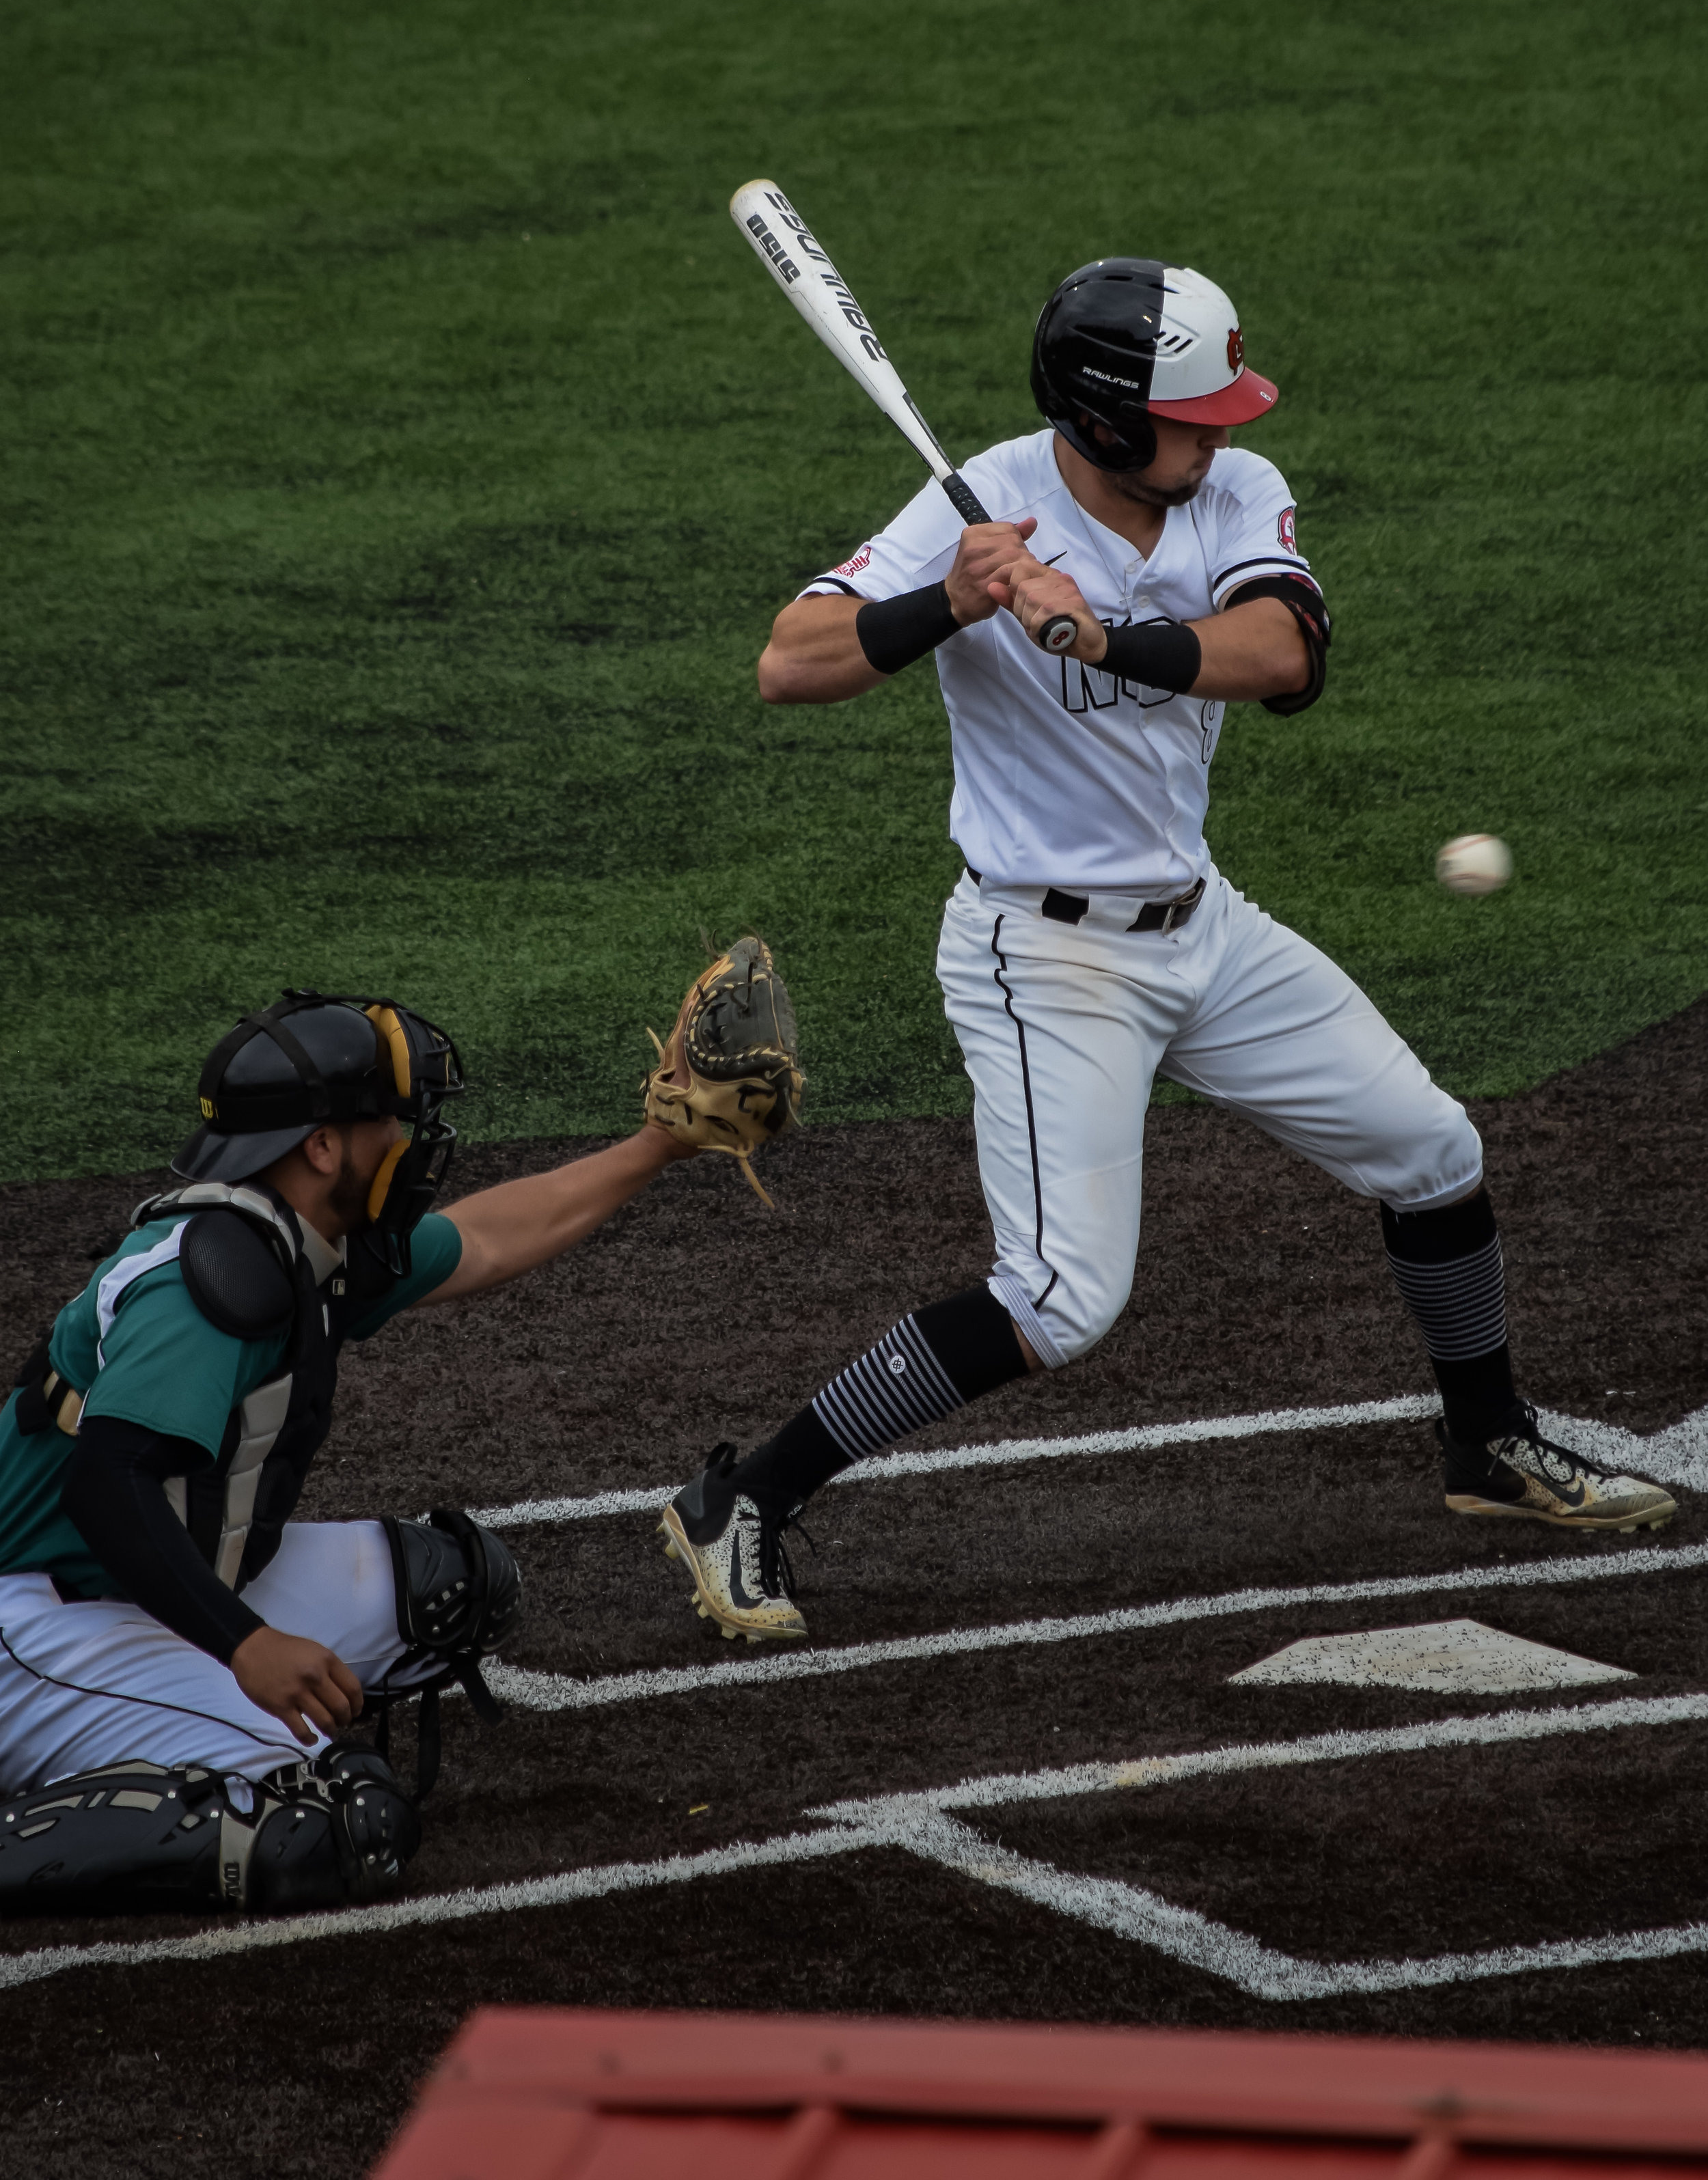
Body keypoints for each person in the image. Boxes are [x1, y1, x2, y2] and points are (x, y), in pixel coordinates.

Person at [655, 256, 1676, 1646]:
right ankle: (747, 1496)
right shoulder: (977, 503)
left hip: (1202, 926)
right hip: (1042, 957)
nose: (1224, 434)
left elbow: (1283, 656)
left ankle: (1484, 1445)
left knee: (1432, 1154)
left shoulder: (1232, 491)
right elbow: (790, 660)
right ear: (1109, 420)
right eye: (1197, 415)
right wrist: (946, 604)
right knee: (1060, 1302)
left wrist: (1105, 633)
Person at [0, 986, 697, 1915]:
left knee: (450, 1588)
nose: (410, 1145)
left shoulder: (304, 1238)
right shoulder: (207, 1287)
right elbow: (106, 1487)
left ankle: (163, 1704)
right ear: (321, 1145)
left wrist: (661, 1142)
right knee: (328, 1820)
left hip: (132, 1582)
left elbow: (490, 1236)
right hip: (34, 1618)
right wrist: (247, 1645)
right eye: (390, 1122)